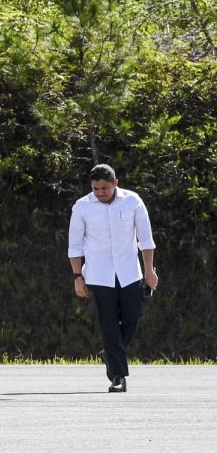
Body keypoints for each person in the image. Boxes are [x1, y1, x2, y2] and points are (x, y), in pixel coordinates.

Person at [68, 163, 158, 392]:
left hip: (130, 272)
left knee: (133, 317)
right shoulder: (81, 207)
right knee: (108, 323)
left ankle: (110, 353)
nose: (100, 193)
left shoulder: (133, 201)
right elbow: (75, 246)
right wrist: (78, 276)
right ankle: (118, 376)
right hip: (99, 274)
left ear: (115, 183)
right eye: (96, 188)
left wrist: (149, 271)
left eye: (104, 188)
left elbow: (146, 240)